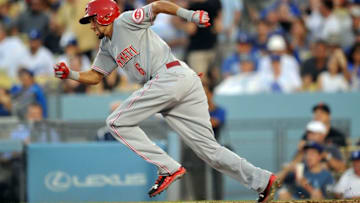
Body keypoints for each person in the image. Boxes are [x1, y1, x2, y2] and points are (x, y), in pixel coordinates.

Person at [53, 0, 278, 202]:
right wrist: (70, 74)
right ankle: (263, 180)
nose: (91, 25)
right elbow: (95, 76)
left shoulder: (124, 21)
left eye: (92, 20)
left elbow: (158, 5)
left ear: (103, 15)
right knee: (210, 152)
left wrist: (190, 15)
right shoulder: (106, 47)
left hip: (170, 76)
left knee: (116, 121)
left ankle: (168, 168)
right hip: (176, 81)